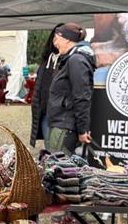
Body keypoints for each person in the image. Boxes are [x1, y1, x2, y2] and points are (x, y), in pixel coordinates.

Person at [45, 23, 94, 156]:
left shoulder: (76, 61)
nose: (54, 43)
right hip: (60, 123)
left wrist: (83, 130)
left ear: (66, 39)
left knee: (57, 168)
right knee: (52, 166)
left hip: (65, 125)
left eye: (56, 38)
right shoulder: (70, 60)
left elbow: (82, 96)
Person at [29, 24, 63, 149]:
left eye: (60, 38)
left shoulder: (68, 60)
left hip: (60, 115)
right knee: (48, 147)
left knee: (58, 149)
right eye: (55, 37)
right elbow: (39, 85)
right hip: (45, 112)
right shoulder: (46, 60)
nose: (56, 41)